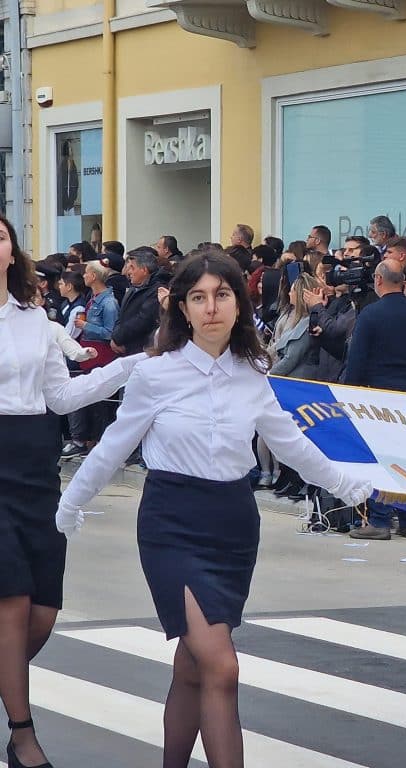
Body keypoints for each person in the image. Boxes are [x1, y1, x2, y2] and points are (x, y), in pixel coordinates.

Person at [58, 252, 373, 767]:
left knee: (193, 665)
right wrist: (69, 506)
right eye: (198, 297)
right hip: (171, 523)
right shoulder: (154, 374)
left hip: (232, 522)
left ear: (239, 304)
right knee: (222, 667)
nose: (211, 308)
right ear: (181, 308)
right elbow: (114, 445)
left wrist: (347, 484)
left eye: (222, 295)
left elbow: (290, 444)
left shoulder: (253, 372)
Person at [0, 213, 143, 768]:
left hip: (35, 462)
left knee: (42, 612)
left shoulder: (36, 319)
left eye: (2, 234)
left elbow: (61, 397)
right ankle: (23, 734)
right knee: (9, 599)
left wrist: (128, 366)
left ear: (14, 250)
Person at [345, 259, 406, 540]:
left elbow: (356, 359)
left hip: (378, 395)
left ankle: (380, 520)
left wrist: (350, 394)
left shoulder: (371, 314)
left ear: (379, 280)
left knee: (381, 458)